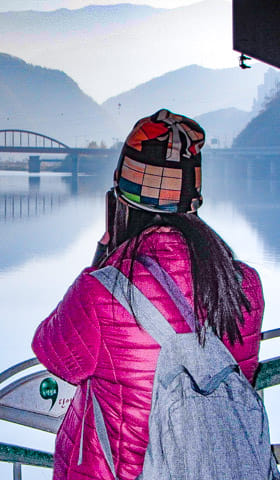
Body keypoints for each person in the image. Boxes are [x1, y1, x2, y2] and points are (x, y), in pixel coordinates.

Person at [32, 109, 264, 480]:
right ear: (193, 201)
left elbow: (53, 353)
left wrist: (102, 256)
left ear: (120, 200)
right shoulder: (241, 284)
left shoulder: (101, 290)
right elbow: (242, 377)